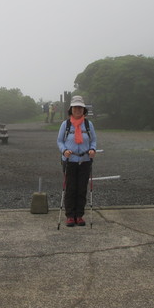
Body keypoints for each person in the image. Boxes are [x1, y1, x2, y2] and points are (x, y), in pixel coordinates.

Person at [56, 95, 97, 227]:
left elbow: (93, 140)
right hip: (70, 160)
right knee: (70, 188)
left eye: (80, 107)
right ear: (71, 109)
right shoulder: (66, 124)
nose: (78, 109)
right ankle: (70, 216)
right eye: (75, 107)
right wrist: (64, 151)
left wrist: (92, 149)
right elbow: (60, 141)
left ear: (84, 109)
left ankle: (79, 215)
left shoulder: (88, 124)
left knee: (81, 188)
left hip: (85, 160)